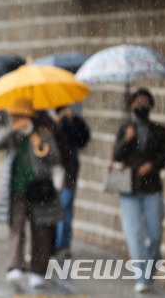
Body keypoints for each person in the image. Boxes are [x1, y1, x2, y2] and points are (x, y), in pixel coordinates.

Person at [0, 99, 62, 289]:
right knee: (17, 228)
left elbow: (55, 157)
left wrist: (38, 142)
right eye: (14, 116)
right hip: (17, 190)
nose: (16, 119)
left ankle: (38, 271)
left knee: (41, 231)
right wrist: (13, 130)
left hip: (40, 190)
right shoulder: (11, 134)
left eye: (20, 116)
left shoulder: (43, 133)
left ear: (29, 116)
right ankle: (15, 266)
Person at [113, 88, 165, 294]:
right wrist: (127, 139)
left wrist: (152, 165)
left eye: (145, 102)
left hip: (152, 188)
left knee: (155, 234)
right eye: (137, 102)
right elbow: (116, 155)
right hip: (129, 188)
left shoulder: (159, 130)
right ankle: (142, 277)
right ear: (131, 105)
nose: (141, 105)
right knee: (134, 233)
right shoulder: (125, 128)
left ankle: (153, 260)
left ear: (151, 105)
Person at [51, 106, 90, 257]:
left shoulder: (73, 120)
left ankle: (63, 245)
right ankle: (51, 243)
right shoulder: (47, 120)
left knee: (65, 206)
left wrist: (73, 122)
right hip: (50, 169)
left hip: (68, 170)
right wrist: (55, 121)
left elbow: (82, 140)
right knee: (51, 207)